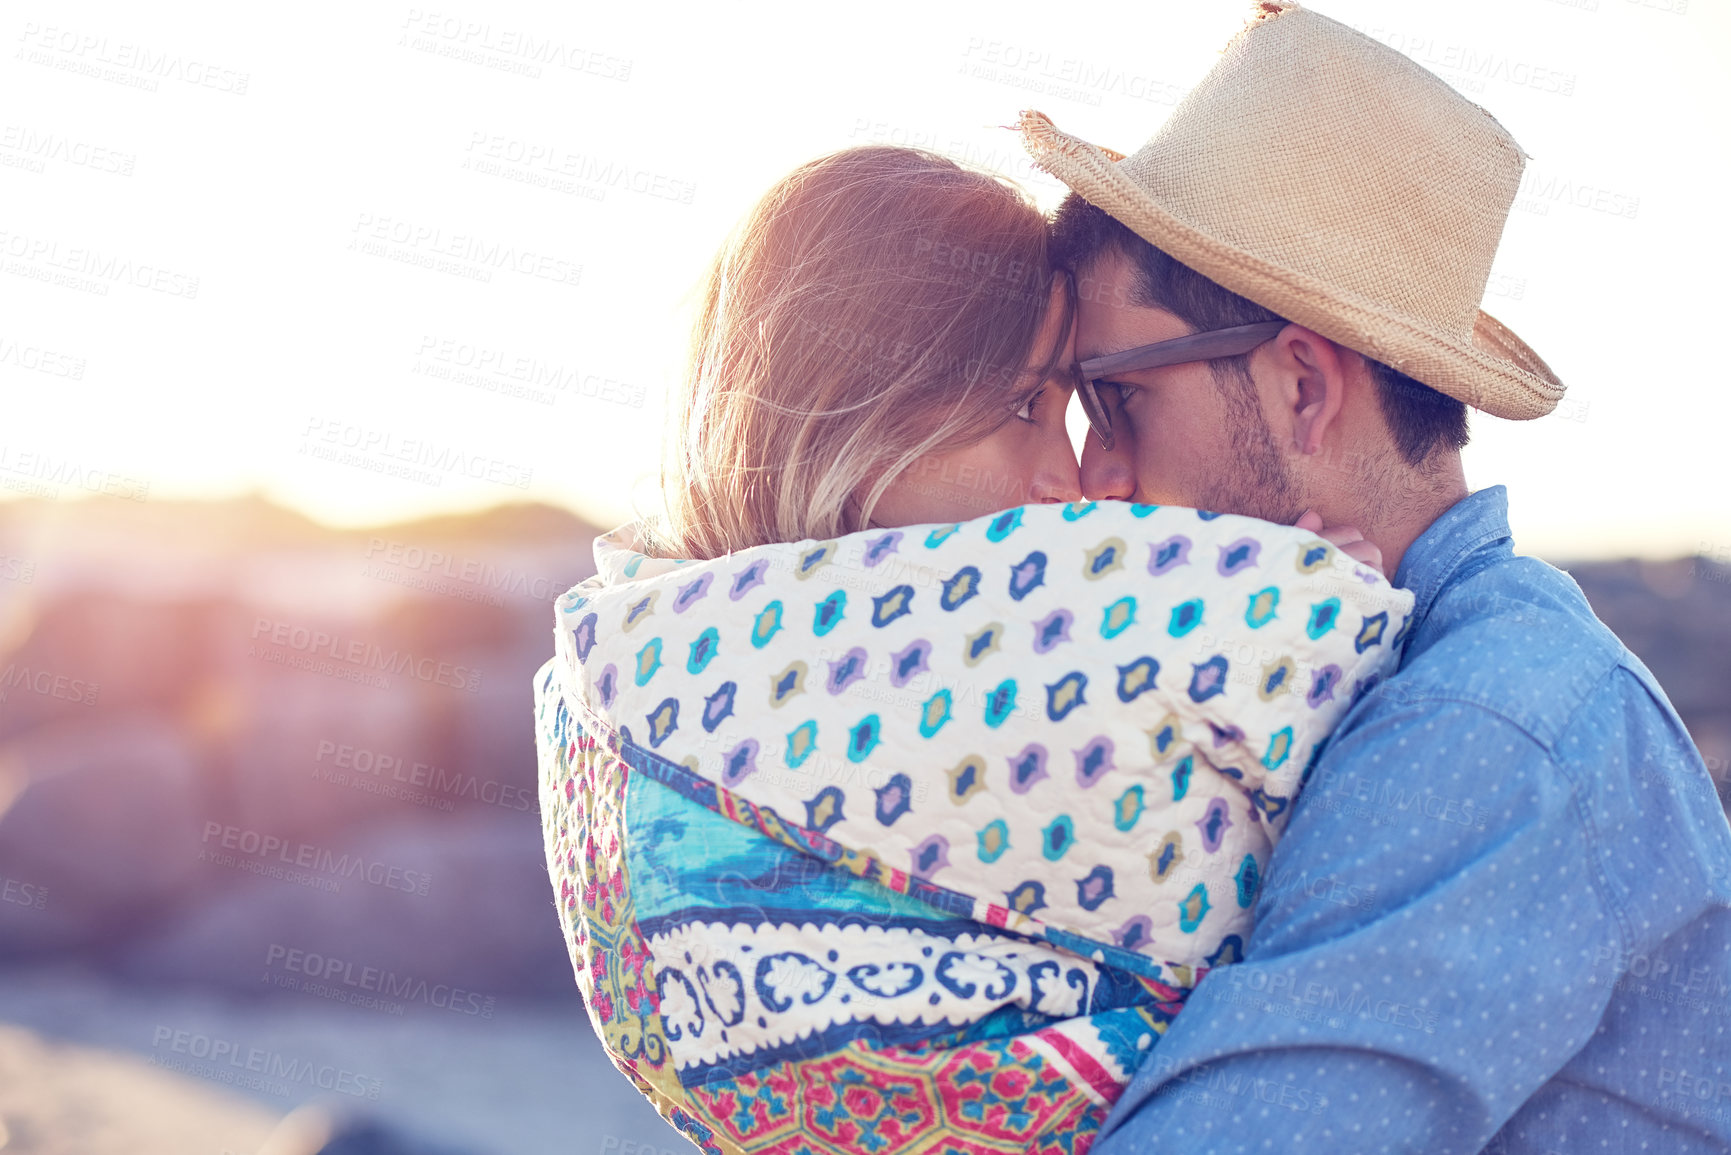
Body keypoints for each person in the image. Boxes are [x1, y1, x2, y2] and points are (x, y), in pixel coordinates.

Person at [533, 142, 1412, 1153]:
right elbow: (1309, 658)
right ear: (855, 404)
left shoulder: (633, 657)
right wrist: (1304, 588)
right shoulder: (1104, 613)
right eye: (1023, 407)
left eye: (1075, 411)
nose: (1069, 478)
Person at [1016, 3, 1731, 1151]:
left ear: (1303, 388)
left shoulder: (1486, 733)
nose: (1095, 475)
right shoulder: (1370, 677)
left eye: (1117, 400)